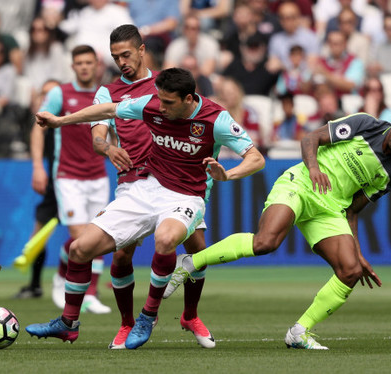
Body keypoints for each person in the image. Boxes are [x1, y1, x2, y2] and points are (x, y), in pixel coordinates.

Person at [26, 67, 265, 350]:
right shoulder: (152, 104)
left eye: (168, 103)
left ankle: (148, 316)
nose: (160, 108)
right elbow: (108, 110)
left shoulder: (216, 118)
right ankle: (68, 324)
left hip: (186, 196)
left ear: (189, 98)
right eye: (159, 101)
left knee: (167, 240)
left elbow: (256, 158)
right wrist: (60, 121)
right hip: (144, 188)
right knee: (80, 249)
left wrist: (227, 175)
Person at [165, 106, 391, 350]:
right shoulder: (366, 124)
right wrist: (314, 168)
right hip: (302, 184)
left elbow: (352, 210)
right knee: (265, 243)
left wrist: (358, 252)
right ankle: (190, 262)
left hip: (330, 209)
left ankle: (299, 332)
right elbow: (310, 139)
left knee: (350, 271)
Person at [92, 24, 217, 349]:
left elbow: (201, 115)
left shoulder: (167, 84)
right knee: (121, 256)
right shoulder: (108, 91)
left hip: (176, 181)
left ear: (142, 49)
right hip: (134, 183)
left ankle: (190, 315)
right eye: (115, 57)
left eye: (126, 54)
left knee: (197, 250)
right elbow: (97, 135)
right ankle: (127, 323)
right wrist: (107, 147)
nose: (121, 62)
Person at [39, 45, 111, 314]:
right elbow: (41, 123)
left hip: (98, 176)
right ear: (73, 66)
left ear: (96, 65)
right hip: (68, 176)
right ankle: (62, 275)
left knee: (100, 236)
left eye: (88, 62)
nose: (84, 67)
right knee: (81, 236)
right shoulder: (60, 93)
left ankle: (91, 293)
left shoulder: (104, 95)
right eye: (79, 62)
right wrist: (38, 164)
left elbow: (112, 130)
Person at [14, 79, 60, 299]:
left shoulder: (68, 122)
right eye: (43, 94)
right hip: (54, 186)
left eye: (51, 94)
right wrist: (38, 168)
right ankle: (35, 285)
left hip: (75, 183)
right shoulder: (42, 127)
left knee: (84, 237)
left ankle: (86, 288)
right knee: (38, 236)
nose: (46, 99)